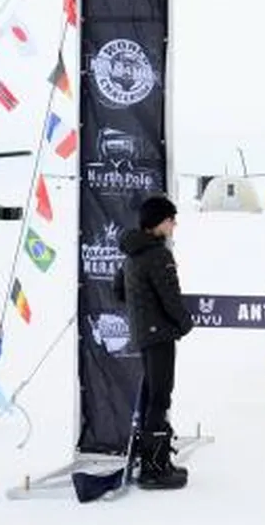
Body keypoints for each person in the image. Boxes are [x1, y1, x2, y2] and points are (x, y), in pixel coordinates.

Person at [112, 195, 194, 490]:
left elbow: (118, 291)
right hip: (159, 334)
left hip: (144, 334)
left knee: (152, 395)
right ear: (158, 222)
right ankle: (153, 470)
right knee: (160, 396)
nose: (174, 224)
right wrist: (184, 323)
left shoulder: (132, 253)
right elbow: (170, 298)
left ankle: (155, 462)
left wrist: (142, 311)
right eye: (171, 219)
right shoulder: (158, 255)